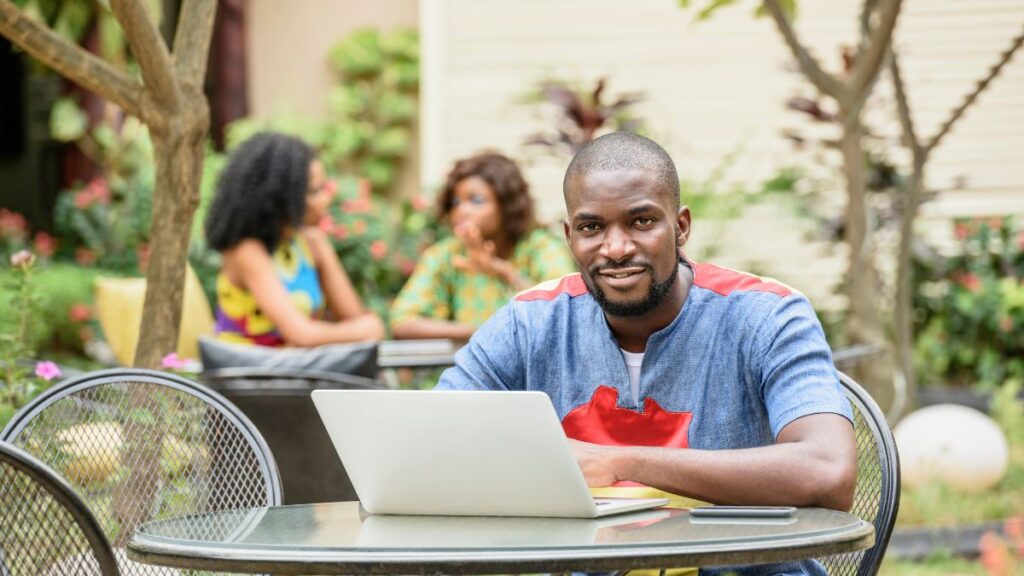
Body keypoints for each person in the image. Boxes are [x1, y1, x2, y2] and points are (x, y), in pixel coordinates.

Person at [436, 132, 856, 576]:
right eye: (591, 227)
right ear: (569, 236)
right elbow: (432, 441)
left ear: (681, 227)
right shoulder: (531, 322)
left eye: (640, 221)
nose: (615, 248)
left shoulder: (766, 315)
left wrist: (617, 461)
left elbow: (828, 472)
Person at [205, 132, 384, 347]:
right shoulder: (246, 251)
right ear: (281, 198)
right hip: (249, 375)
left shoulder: (312, 243)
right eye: (315, 191)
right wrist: (361, 330)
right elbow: (302, 334)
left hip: (299, 373)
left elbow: (354, 317)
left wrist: (360, 328)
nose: (326, 198)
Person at [389, 152, 576, 341]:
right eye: (455, 202)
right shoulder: (446, 254)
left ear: (507, 205)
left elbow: (564, 311)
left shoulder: (541, 248)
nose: (461, 211)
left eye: (476, 200)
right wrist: (485, 332)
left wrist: (503, 271)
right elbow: (402, 322)